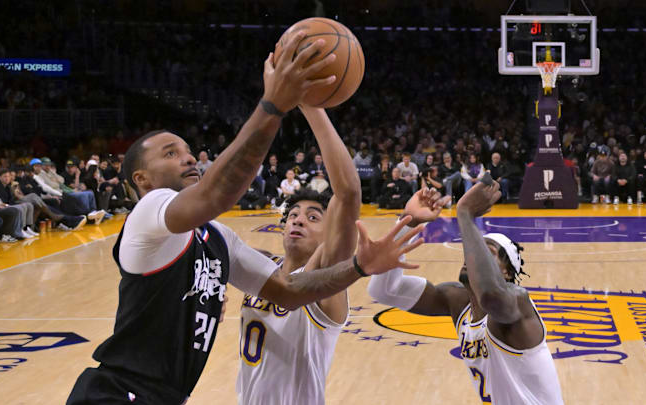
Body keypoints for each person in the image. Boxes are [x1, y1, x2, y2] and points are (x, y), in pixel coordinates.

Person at [66, 35, 423, 405]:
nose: (189, 159)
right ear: (141, 180)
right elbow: (218, 194)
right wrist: (273, 106)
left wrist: (358, 267)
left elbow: (287, 290)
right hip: (118, 393)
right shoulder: (149, 211)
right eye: (171, 154)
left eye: (189, 152)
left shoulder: (218, 239)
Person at [368, 183, 564, 404]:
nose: (472, 257)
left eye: (486, 252)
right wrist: (409, 222)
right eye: (472, 250)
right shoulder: (457, 301)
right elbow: (383, 290)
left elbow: (491, 296)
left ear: (507, 273)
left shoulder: (517, 301)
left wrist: (465, 214)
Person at [238, 106, 375, 404]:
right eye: (294, 215)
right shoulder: (262, 266)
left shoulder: (323, 278)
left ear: (330, 235)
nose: (298, 220)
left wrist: (311, 106)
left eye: (313, 217)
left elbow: (349, 193)